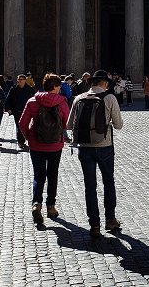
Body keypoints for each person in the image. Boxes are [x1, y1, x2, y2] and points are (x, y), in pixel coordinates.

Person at [68, 70, 124, 239]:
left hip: (84, 147)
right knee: (108, 182)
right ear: (105, 83)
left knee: (90, 187)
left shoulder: (79, 98)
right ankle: (110, 220)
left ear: (91, 83)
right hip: (104, 146)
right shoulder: (109, 98)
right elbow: (119, 125)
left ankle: (94, 225)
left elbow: (69, 125)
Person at [19, 73, 70, 224]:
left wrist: (30, 137)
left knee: (38, 175)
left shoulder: (33, 100)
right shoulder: (61, 102)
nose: (60, 88)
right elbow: (67, 123)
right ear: (54, 86)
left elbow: (22, 123)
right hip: (55, 144)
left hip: (36, 144)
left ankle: (36, 204)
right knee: (52, 175)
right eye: (59, 86)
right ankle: (51, 206)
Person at [6, 74, 35, 151]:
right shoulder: (13, 89)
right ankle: (21, 142)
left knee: (25, 125)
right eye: (18, 79)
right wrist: (8, 108)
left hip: (27, 111)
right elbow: (8, 99)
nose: (19, 81)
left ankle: (26, 139)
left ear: (25, 80)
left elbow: (34, 100)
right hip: (17, 111)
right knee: (19, 126)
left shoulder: (30, 89)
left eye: (21, 79)